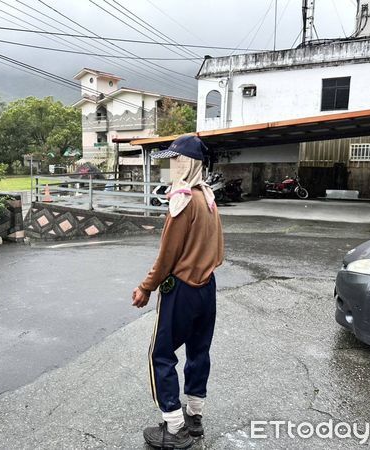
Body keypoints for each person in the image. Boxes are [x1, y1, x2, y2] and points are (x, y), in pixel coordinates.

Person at [132, 135, 224, 449]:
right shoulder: (208, 199)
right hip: (207, 286)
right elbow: (219, 250)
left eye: (175, 159)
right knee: (198, 351)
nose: (172, 165)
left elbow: (167, 255)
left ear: (187, 163)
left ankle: (174, 426)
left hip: (182, 289)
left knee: (160, 354)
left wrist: (146, 287)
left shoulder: (183, 201)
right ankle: (194, 416)